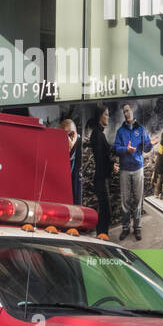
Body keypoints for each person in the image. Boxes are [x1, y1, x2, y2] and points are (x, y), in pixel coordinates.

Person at [113, 102, 153, 241]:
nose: (126, 113)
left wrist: (149, 145)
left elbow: (147, 148)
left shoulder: (141, 129)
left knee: (137, 200)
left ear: (132, 111)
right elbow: (116, 149)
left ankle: (137, 228)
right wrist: (126, 150)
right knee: (125, 201)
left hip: (138, 169)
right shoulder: (120, 131)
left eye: (128, 110)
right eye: (124, 111)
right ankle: (125, 228)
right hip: (124, 169)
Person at [86, 106, 118, 236]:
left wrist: (111, 165)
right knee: (105, 212)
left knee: (105, 210)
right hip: (101, 178)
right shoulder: (98, 135)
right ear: (100, 116)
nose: (108, 117)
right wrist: (112, 166)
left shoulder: (98, 134)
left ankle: (102, 235)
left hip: (101, 177)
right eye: (106, 114)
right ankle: (102, 237)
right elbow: (101, 159)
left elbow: (103, 157)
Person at [59, 118, 80, 205]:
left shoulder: (81, 151)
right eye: (63, 136)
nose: (67, 140)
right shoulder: (58, 155)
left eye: (71, 134)